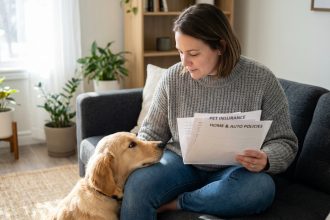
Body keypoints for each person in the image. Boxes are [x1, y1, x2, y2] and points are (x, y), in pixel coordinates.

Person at [120, 4, 298, 219]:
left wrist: (266, 158)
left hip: (235, 170)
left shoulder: (261, 79)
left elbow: (285, 141)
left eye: (193, 53)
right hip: (180, 163)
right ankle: (200, 198)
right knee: (139, 185)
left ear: (220, 46)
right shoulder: (173, 78)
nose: (184, 62)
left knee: (260, 188)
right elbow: (151, 133)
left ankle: (179, 203)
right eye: (180, 52)